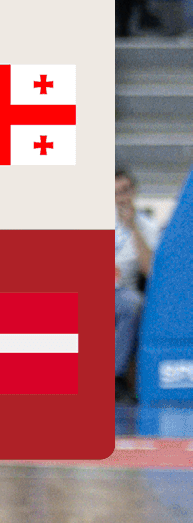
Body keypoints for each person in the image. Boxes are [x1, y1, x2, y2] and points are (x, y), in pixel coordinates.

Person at [115, 168, 157, 403]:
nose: (122, 197)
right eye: (116, 193)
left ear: (133, 191)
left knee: (132, 304)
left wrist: (132, 228)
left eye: (125, 191)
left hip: (122, 292)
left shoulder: (146, 225)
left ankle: (115, 377)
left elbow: (149, 270)